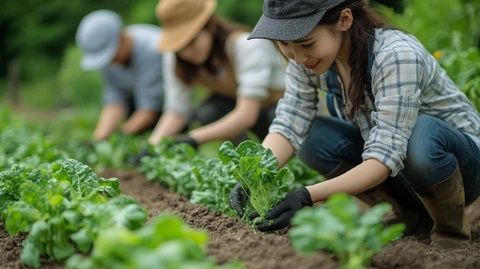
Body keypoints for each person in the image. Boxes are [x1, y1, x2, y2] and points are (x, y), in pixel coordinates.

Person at [229, 0, 480, 250]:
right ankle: (410, 214)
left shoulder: (396, 56)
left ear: (344, 20)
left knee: (421, 134)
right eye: (285, 45)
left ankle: (451, 236)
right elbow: (288, 123)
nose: (297, 57)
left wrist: (307, 195)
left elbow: (384, 157)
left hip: (459, 167)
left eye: (307, 44)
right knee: (314, 138)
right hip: (403, 170)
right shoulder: (306, 60)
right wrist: (254, 176)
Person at [148, 0, 285, 148]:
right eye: (180, 46)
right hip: (238, 109)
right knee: (209, 112)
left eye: (192, 41)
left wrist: (193, 138)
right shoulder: (174, 58)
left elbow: (246, 115)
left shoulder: (248, 46)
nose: (187, 52)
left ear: (208, 26)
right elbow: (177, 111)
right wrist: (153, 145)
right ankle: (240, 153)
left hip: (274, 111)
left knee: (274, 117)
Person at [76, 10, 164, 140]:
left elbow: (149, 109)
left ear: (122, 37)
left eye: (111, 57)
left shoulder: (152, 49)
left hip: (166, 105)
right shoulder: (110, 61)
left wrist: (119, 138)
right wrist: (99, 138)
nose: (110, 63)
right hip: (139, 102)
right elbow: (114, 101)